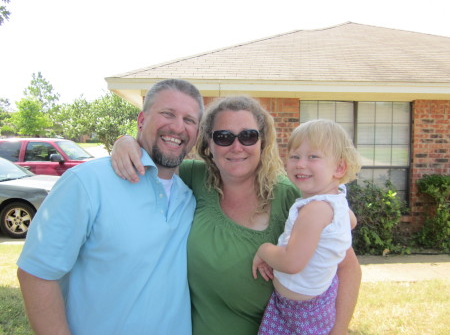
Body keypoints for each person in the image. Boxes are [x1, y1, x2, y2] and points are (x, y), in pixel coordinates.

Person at [112, 96, 362, 335]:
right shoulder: (194, 178)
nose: (236, 146)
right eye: (223, 137)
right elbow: (153, 159)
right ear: (208, 144)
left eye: (248, 136)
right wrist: (126, 141)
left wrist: (338, 330)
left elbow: (347, 267)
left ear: (262, 142)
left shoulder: (295, 197)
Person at [16, 79, 205, 335]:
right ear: (141, 120)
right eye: (167, 114)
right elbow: (36, 275)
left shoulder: (190, 195)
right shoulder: (87, 183)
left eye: (189, 120)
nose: (178, 126)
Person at [252, 119, 362, 335]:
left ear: (339, 167)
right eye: (295, 156)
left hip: (299, 313)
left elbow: (291, 263)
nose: (301, 164)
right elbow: (352, 221)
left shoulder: (314, 210)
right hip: (318, 303)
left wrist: (263, 249)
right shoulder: (336, 200)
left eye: (313, 157)